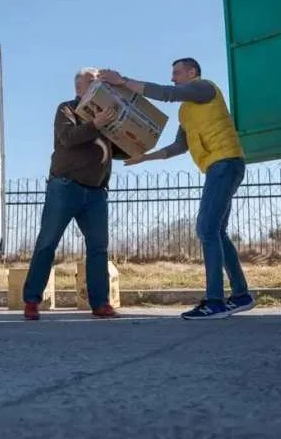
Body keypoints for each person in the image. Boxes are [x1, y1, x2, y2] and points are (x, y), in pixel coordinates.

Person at [97, 58, 255, 320]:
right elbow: (179, 146)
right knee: (217, 231)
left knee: (206, 228)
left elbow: (166, 93)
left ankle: (215, 302)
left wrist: (122, 81)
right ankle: (241, 295)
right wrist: (144, 157)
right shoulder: (186, 111)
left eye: (177, 73)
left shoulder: (204, 88)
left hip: (225, 162)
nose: (173, 78)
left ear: (192, 72)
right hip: (218, 166)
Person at [21, 67, 127, 320]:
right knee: (47, 243)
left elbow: (121, 146)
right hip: (65, 187)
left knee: (99, 248)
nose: (97, 86)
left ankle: (100, 303)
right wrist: (95, 124)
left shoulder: (108, 114)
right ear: (79, 88)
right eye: (91, 81)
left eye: (100, 82)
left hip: (96, 192)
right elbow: (68, 138)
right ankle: (32, 301)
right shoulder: (66, 109)